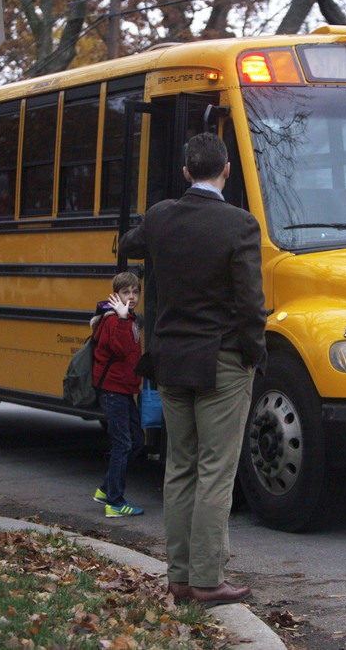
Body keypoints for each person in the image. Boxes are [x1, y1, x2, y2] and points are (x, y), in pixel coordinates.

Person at [120, 132, 267, 607]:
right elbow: (250, 303)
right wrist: (253, 352)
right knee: (215, 470)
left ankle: (180, 576)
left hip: (170, 361)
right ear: (226, 170)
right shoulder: (240, 225)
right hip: (221, 361)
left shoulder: (162, 217)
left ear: (186, 172)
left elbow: (129, 242)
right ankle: (207, 579)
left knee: (179, 466)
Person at [90, 271, 145, 518]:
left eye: (135, 292)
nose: (131, 297)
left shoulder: (129, 318)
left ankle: (105, 488)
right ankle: (114, 502)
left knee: (136, 440)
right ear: (116, 294)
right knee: (123, 443)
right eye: (126, 292)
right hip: (113, 391)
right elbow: (121, 349)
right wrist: (123, 319)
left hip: (124, 389)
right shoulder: (114, 320)